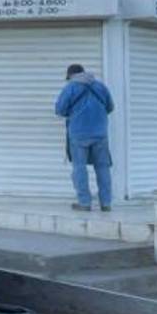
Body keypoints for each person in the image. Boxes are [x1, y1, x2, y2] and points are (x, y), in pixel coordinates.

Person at [54, 64, 115, 211]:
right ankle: (106, 203)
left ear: (70, 75)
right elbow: (110, 107)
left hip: (79, 134)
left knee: (79, 168)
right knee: (103, 167)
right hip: (100, 133)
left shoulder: (70, 88)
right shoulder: (100, 86)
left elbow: (59, 110)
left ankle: (84, 203)